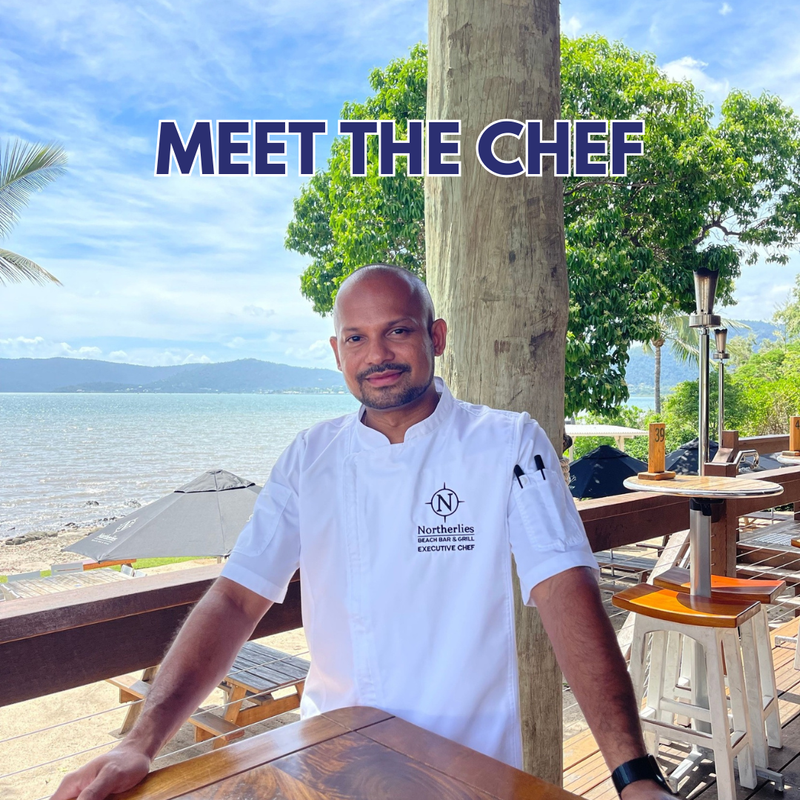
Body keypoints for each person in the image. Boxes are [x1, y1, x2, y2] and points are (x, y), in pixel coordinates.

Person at [52, 265, 673, 800]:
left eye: (397, 330)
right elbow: (236, 596)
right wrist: (141, 741)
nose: (377, 354)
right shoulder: (309, 456)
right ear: (337, 351)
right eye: (357, 337)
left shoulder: (506, 442)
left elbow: (565, 589)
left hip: (467, 764)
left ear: (436, 337)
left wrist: (633, 773)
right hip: (332, 759)